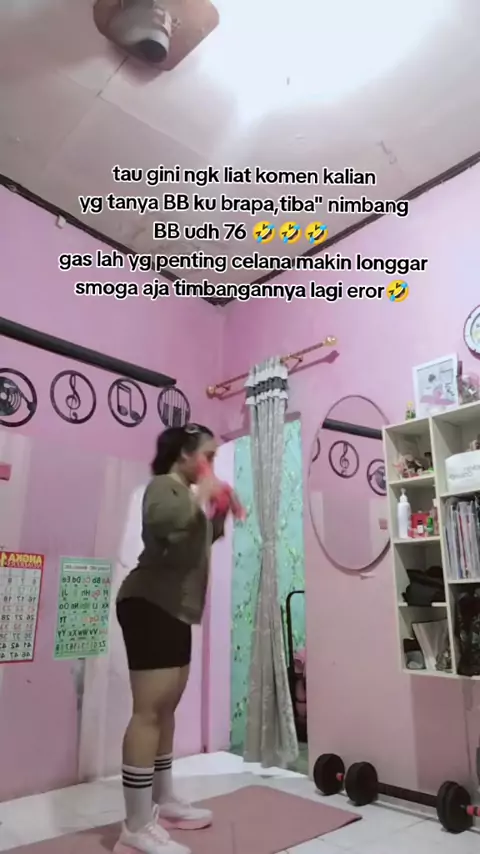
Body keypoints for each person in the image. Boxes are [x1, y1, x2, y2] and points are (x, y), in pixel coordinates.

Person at [115, 424, 227, 854]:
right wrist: (204, 495)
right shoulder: (164, 486)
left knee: (165, 709)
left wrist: (220, 511)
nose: (212, 465)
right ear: (184, 454)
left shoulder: (186, 493)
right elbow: (164, 520)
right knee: (148, 712)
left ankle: (162, 799)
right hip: (149, 604)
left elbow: (197, 537)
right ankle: (135, 825)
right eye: (208, 456)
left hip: (175, 610)